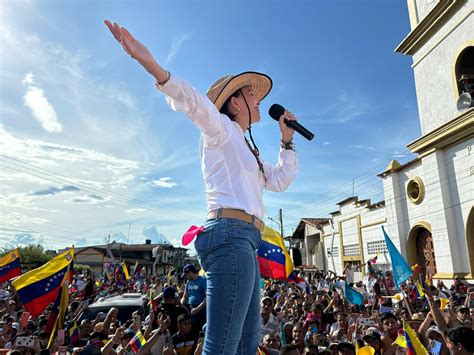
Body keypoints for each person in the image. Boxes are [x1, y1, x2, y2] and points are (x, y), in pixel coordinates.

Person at [105, 20, 298, 355]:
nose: (257, 99)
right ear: (234, 103)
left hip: (245, 241)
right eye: (250, 93)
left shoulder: (249, 150)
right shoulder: (220, 127)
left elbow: (280, 180)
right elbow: (194, 102)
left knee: (247, 343)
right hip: (230, 236)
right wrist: (153, 67)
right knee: (222, 345)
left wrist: (287, 142)